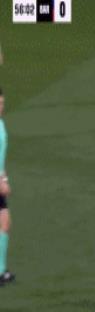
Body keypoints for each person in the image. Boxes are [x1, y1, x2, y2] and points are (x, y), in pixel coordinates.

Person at [0, 88, 15, 285]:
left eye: (2, 103)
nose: (1, 107)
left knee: (4, 221)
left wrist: (3, 178)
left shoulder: (1, 124)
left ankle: (1, 271)